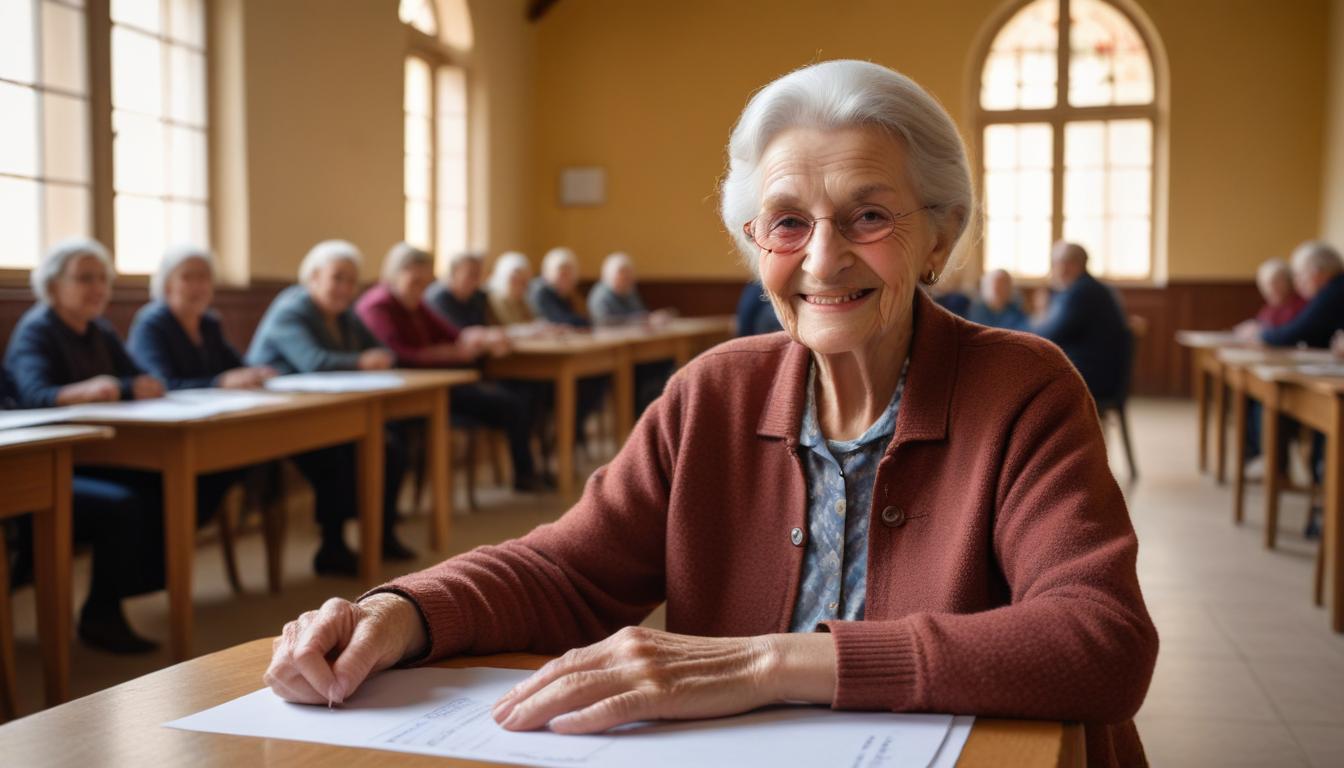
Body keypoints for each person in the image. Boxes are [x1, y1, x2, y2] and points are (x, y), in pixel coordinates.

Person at [265, 61, 1155, 768]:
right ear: (753, 247)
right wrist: (404, 610)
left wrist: (767, 663)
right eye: (787, 223)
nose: (824, 258)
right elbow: (568, 572)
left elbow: (1100, 640)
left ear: (940, 238)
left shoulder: (1023, 387)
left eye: (869, 215)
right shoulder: (712, 393)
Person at [2, 238, 233, 652]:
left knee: (166, 484)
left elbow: (140, 379)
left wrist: (130, 385)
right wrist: (87, 389)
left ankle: (126, 591)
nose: (97, 288)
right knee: (124, 503)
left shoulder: (100, 330)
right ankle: (101, 613)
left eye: (102, 279)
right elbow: (32, 396)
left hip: (100, 450)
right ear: (53, 285)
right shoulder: (37, 330)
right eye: (84, 278)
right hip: (57, 458)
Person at [246, 239, 415, 574]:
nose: (345, 288)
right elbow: (313, 361)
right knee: (338, 454)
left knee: (391, 445)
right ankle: (332, 545)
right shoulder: (291, 309)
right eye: (337, 278)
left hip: (325, 412)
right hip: (276, 419)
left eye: (351, 281)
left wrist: (374, 358)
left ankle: (382, 533)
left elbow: (382, 350)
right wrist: (364, 362)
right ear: (312, 278)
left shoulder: (346, 317)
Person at [356, 242, 548, 492]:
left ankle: (526, 475)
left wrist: (474, 340)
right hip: (404, 393)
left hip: (437, 384)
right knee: (512, 401)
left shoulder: (417, 303)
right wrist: (450, 352)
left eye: (426, 282)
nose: (422, 289)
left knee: (517, 401)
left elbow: (453, 335)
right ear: (393, 275)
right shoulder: (377, 305)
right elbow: (397, 356)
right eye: (415, 281)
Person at [128, 245, 276, 390]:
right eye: (187, 278)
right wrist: (219, 383)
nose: (198, 286)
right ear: (167, 286)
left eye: (204, 277)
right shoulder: (151, 324)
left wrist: (255, 373)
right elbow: (161, 384)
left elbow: (236, 366)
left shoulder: (209, 323)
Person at [1029, 241, 1131, 404]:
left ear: (1069, 265)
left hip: (1093, 377)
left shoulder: (1081, 293)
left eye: (1056, 264)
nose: (1054, 271)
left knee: (1026, 374)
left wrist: (1042, 311)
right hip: (1102, 373)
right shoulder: (1088, 289)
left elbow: (1048, 335)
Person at [587, 252, 674, 415]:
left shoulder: (629, 293)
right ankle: (640, 416)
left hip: (636, 351)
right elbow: (605, 323)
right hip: (610, 355)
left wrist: (649, 319)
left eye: (629, 275)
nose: (627, 279)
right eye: (622, 274)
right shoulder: (601, 296)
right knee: (648, 373)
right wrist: (644, 320)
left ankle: (656, 413)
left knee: (665, 362)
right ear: (609, 275)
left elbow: (641, 315)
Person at [1259, 240, 1344, 349]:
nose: (1296, 282)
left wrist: (1259, 334)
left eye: (1299, 274)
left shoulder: (1334, 291)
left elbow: (1295, 334)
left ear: (1317, 272)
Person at [424, 251, 496, 330]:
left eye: (479, 274)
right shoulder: (438, 297)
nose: (477, 280)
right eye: (471, 274)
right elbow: (455, 332)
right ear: (454, 272)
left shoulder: (478, 295)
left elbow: (485, 325)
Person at [528, 247, 589, 327]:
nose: (566, 278)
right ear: (547, 272)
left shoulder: (566, 294)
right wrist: (587, 321)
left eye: (569, 273)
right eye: (562, 273)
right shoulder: (541, 291)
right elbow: (559, 319)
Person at [485, 252, 542, 328]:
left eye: (524, 281)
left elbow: (531, 321)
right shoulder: (495, 298)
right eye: (516, 280)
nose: (521, 285)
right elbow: (509, 326)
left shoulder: (522, 300)